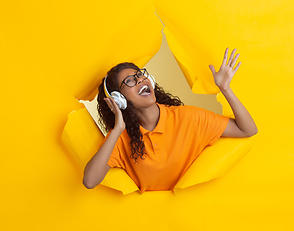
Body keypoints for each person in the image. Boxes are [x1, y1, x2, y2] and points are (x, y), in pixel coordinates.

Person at [82, 48, 258, 192]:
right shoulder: (120, 139)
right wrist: (118, 128)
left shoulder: (188, 118)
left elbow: (247, 129)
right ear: (118, 99)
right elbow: (90, 181)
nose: (140, 79)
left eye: (141, 75)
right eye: (130, 81)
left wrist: (225, 89)